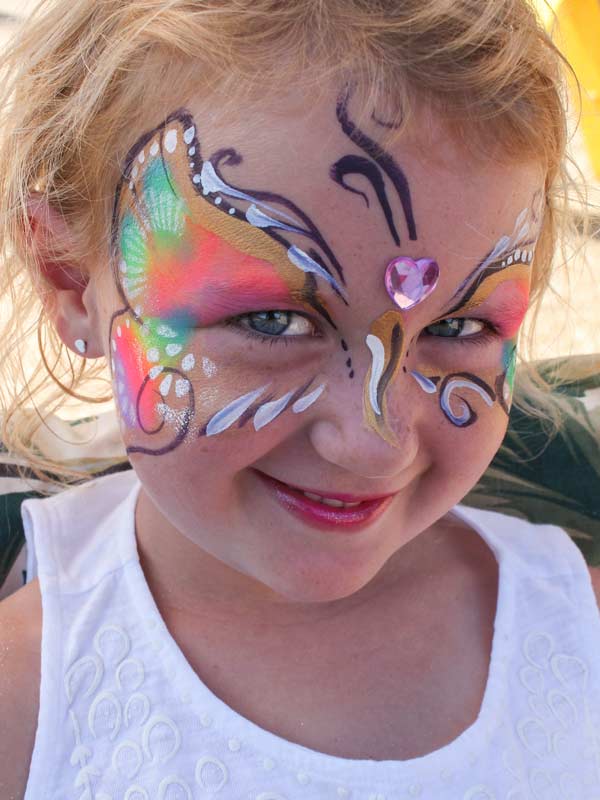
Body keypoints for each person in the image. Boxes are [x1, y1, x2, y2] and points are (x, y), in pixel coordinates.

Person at [0, 0, 598, 797]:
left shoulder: (580, 630)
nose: (373, 443)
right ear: (72, 284)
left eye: (459, 324)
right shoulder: (25, 707)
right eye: (270, 321)